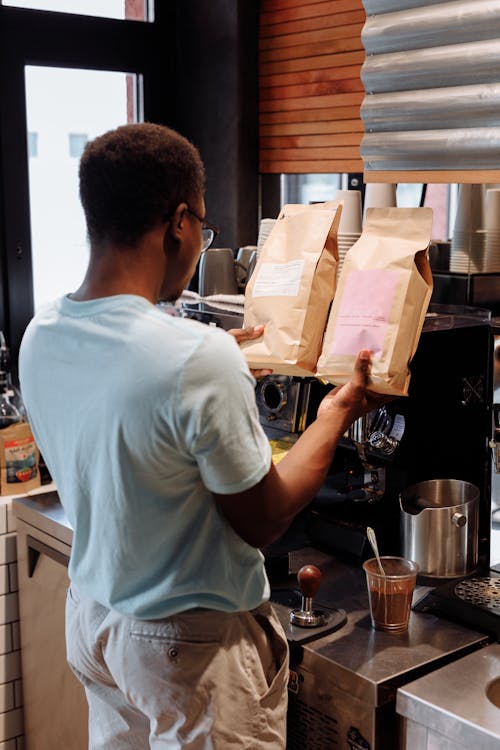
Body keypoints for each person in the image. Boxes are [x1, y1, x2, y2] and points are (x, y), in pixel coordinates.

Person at [19, 122, 380, 750]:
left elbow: (129, 388)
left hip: (96, 623)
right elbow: (263, 518)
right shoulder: (193, 357)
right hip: (187, 647)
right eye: (204, 227)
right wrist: (333, 416)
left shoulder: (41, 331)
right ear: (179, 222)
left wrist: (212, 359)